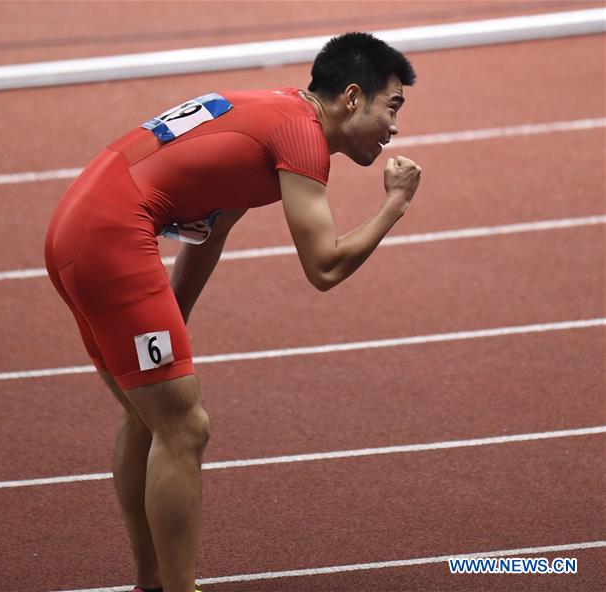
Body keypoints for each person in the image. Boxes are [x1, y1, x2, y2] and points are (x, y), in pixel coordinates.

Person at [44, 32, 421, 592]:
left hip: (74, 227)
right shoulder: (302, 135)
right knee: (183, 427)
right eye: (392, 106)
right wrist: (395, 203)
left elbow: (210, 234)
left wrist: (171, 320)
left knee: (148, 416)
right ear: (351, 97)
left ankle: (153, 583)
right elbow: (324, 268)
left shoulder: (273, 113)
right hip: (110, 236)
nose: (395, 127)